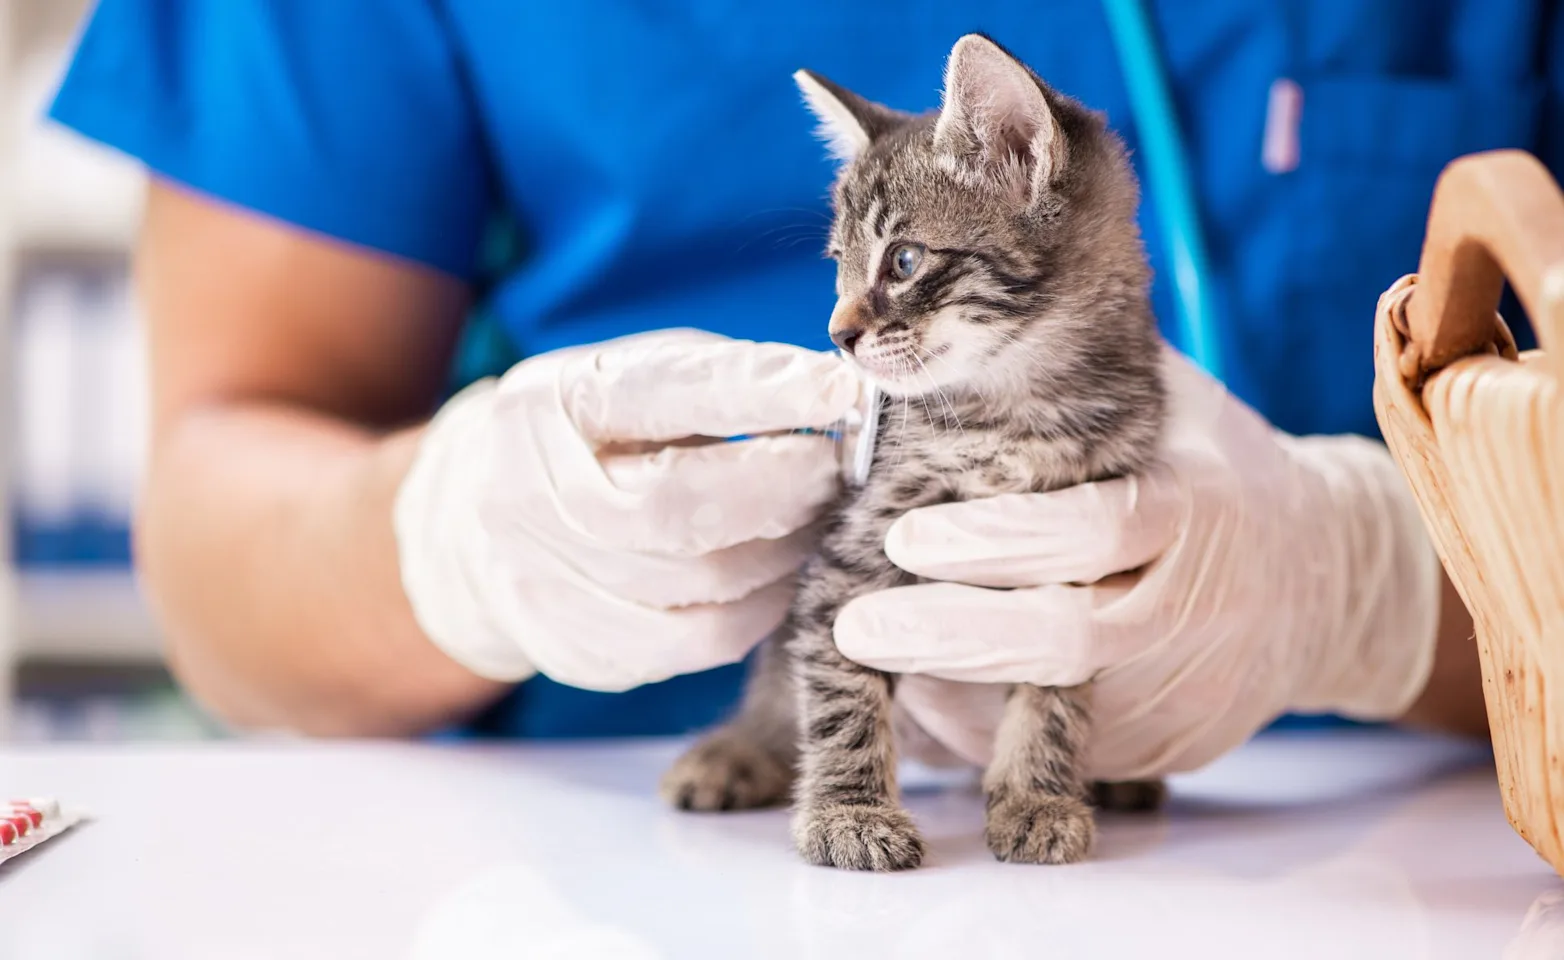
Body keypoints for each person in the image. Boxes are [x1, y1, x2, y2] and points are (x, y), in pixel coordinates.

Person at [46, 1, 1550, 778]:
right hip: (615, 867)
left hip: (1396, 855)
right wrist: (443, 540)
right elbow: (218, 525)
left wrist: (1383, 591)